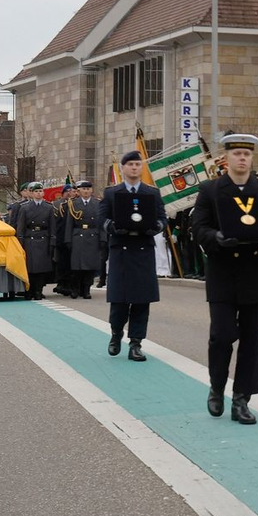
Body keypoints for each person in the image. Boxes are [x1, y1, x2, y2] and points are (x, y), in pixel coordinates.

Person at [190, 132, 258, 425]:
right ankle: (217, 387)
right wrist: (216, 237)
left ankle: (242, 398)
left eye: (246, 154)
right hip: (223, 271)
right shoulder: (211, 190)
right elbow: (198, 228)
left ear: (251, 158)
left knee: (252, 340)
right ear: (226, 158)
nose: (242, 158)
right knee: (222, 335)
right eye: (237, 154)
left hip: (255, 272)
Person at [100, 150, 166, 360]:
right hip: (121, 251)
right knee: (119, 301)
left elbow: (162, 218)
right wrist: (113, 227)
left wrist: (155, 227)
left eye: (138, 164)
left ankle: (136, 343)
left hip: (143, 250)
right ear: (123, 168)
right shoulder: (111, 193)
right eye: (131, 164)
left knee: (141, 301)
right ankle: (116, 333)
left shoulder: (152, 193)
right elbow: (102, 219)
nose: (135, 168)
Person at [15, 181, 57, 300]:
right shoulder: (25, 208)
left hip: (43, 238)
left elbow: (52, 227)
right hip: (30, 239)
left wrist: (52, 242)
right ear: (32, 194)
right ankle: (29, 290)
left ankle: (38, 291)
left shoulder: (49, 207)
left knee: (41, 268)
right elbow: (21, 227)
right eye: (36, 191)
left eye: (40, 191)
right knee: (30, 268)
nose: (38, 193)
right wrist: (20, 242)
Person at [65, 180, 101, 298]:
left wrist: (103, 239)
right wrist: (68, 239)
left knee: (89, 267)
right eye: (84, 189)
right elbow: (69, 223)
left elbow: (101, 224)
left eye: (88, 189)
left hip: (92, 236)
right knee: (77, 267)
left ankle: (86, 290)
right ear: (79, 191)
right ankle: (75, 289)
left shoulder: (97, 204)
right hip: (78, 236)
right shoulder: (73, 204)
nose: (86, 191)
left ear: (92, 190)